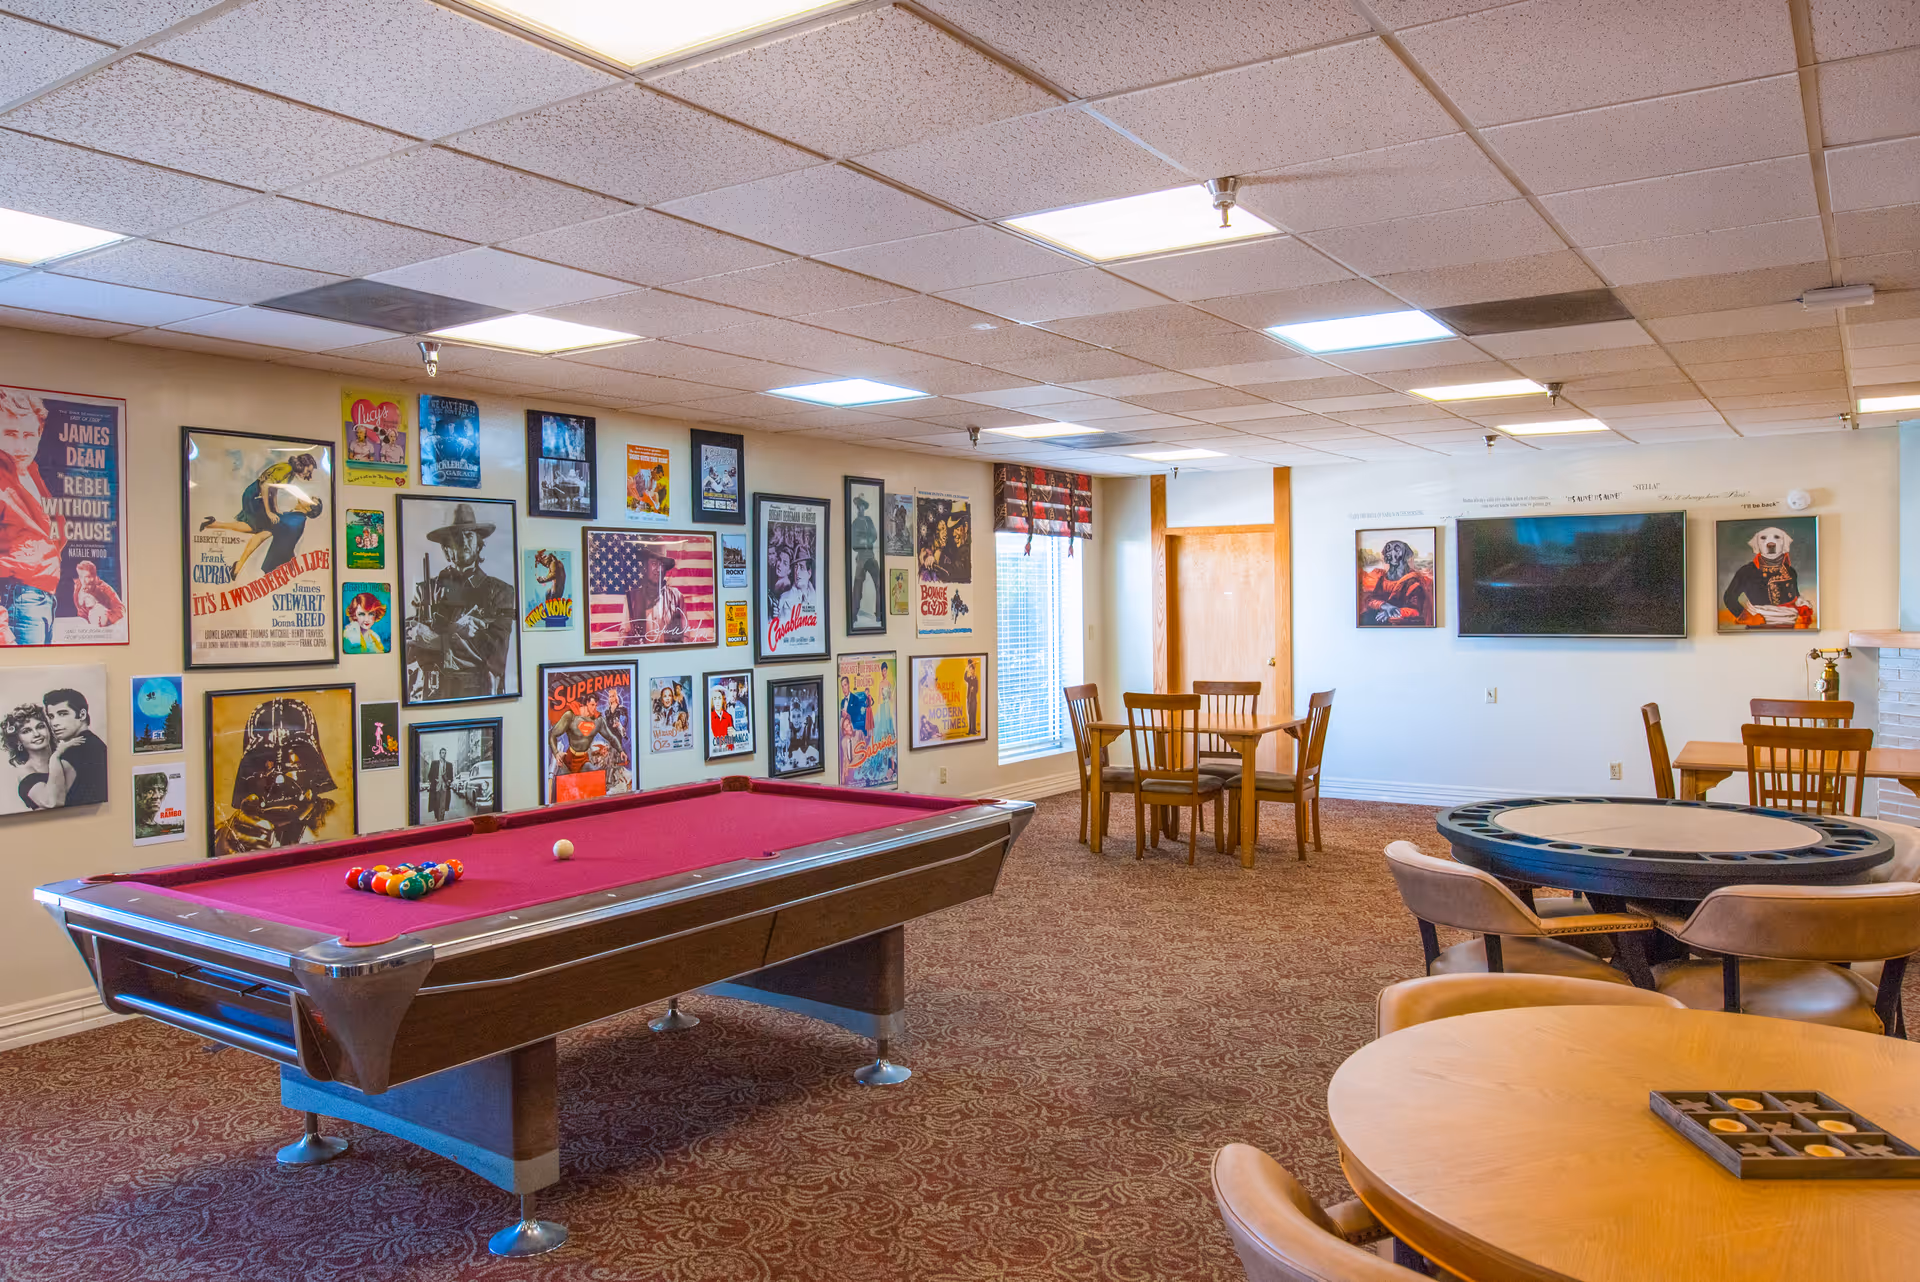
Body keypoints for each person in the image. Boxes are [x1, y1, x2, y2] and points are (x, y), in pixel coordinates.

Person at [406, 502, 517, 702]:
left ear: (479, 543)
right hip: (428, 695)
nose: (464, 541)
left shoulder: (500, 592)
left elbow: (496, 656)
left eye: (469, 535)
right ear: (446, 547)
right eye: (456, 536)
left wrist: (438, 639)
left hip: (477, 694)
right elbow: (407, 647)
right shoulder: (424, 590)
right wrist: (456, 634)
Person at [212, 697, 336, 856]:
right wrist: (224, 841)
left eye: (290, 759)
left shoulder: (334, 820)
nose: (278, 776)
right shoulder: (230, 833)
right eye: (264, 759)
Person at [0, 388, 62, 646]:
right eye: (10, 434)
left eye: (28, 435)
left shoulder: (33, 474)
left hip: (43, 598)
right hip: (17, 598)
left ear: (39, 432)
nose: (21, 446)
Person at [198, 451, 321, 580]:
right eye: (308, 471)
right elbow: (265, 486)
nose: (308, 474)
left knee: (259, 528)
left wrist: (275, 508)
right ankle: (237, 565)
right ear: (302, 464)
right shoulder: (287, 469)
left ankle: (213, 524)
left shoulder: (290, 474)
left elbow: (274, 489)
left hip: (262, 496)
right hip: (255, 494)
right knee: (262, 528)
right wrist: (269, 512)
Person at [43, 687, 105, 805]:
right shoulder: (97, 744)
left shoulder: (72, 751)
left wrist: (54, 757)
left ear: (82, 715)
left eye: (62, 714)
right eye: (51, 716)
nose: (54, 723)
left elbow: (53, 803)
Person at [2, 703, 67, 810]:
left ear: (49, 729)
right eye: (26, 731)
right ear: (18, 741)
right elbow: (52, 802)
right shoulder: (26, 771)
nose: (36, 734)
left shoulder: (66, 758)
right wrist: (55, 757)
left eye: (40, 727)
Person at [623, 546, 686, 645]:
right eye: (654, 564)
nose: (658, 569)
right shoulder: (632, 598)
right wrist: (629, 644)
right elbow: (623, 636)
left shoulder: (677, 597)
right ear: (645, 567)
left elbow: (685, 636)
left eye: (662, 565)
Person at [849, 494, 883, 625]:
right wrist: (864, 541)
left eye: (862, 505)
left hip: (870, 556)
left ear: (864, 507)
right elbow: (854, 544)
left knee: (879, 583)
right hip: (861, 558)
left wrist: (865, 540)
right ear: (857, 507)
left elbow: (874, 536)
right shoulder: (854, 524)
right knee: (857, 586)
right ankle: (853, 615)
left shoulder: (868, 520)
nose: (860, 508)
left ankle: (879, 613)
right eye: (859, 506)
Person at [70, 559, 124, 631]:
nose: (83, 581)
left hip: (102, 628)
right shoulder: (78, 585)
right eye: (81, 576)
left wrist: (105, 615)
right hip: (84, 627)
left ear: (93, 577)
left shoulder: (105, 589)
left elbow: (121, 610)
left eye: (87, 577)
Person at [133, 771, 173, 838]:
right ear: (138, 795)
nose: (156, 796)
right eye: (149, 790)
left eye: (160, 790)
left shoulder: (161, 830)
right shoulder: (134, 830)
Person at [425, 747, 454, 822]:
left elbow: (451, 777)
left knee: (443, 804)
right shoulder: (434, 763)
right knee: (436, 803)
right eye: (442, 753)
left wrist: (449, 780)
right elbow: (429, 775)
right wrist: (434, 780)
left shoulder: (449, 765)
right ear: (440, 754)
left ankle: (441, 818)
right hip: (436, 787)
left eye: (445, 753)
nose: (444, 754)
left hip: (445, 787)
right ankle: (438, 817)